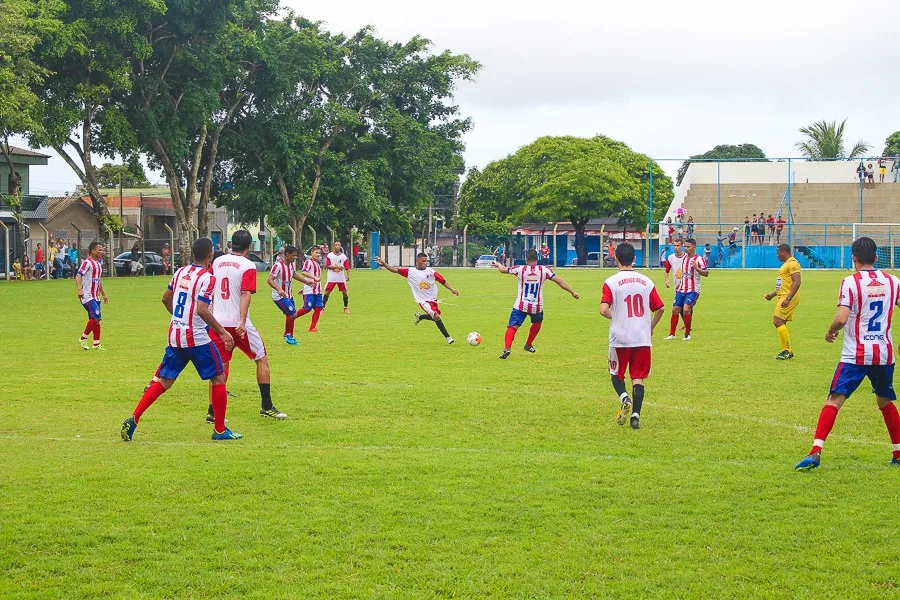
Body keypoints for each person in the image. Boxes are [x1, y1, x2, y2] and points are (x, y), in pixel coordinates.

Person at [795, 237, 900, 470]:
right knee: (885, 401)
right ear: (875, 257)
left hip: (856, 355)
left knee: (834, 401)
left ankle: (815, 452)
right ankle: (898, 452)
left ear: (854, 258)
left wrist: (830, 331)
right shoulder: (893, 281)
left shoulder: (850, 282)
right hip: (884, 353)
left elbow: (842, 318)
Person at [121, 237, 239, 442]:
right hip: (197, 337)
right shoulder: (208, 278)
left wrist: (178, 317)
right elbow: (202, 309)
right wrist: (222, 331)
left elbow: (165, 298)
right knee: (218, 378)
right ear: (210, 255)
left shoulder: (180, 272)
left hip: (175, 334)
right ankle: (220, 431)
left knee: (163, 380)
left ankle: (134, 417)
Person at [207, 229, 287, 422]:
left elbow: (209, 285)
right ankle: (266, 406)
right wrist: (242, 320)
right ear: (249, 246)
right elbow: (245, 293)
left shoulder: (217, 262)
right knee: (262, 359)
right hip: (237, 324)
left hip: (217, 323)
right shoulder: (248, 265)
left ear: (230, 244)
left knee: (220, 367)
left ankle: (212, 412)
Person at [600, 243, 665, 430]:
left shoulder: (611, 282)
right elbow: (660, 308)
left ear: (616, 259)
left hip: (620, 337)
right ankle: (636, 415)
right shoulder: (646, 281)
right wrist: (650, 326)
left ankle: (624, 397)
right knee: (638, 377)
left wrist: (617, 316)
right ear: (634, 259)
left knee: (615, 374)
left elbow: (603, 309)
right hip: (641, 337)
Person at [493, 248, 579, 359]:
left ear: (526, 259)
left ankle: (507, 348)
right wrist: (573, 292)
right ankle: (528, 344)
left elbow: (503, 270)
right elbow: (560, 281)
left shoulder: (520, 269)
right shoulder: (545, 270)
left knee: (513, 326)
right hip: (536, 306)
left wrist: (499, 265)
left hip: (521, 304)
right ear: (537, 259)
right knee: (537, 323)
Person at [375, 253, 459, 344]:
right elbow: (395, 270)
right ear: (417, 260)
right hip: (422, 300)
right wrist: (383, 263)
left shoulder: (431, 271)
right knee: (436, 316)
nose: (425, 263)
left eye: (426, 261)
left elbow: (443, 281)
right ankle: (448, 337)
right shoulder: (410, 272)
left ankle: (420, 316)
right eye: (423, 261)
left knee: (435, 317)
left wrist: (452, 289)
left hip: (433, 300)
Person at [267, 245, 312, 346]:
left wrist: (306, 281)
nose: (295, 258)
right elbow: (269, 280)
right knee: (293, 314)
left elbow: (294, 274)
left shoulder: (291, 265)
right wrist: (279, 289)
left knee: (290, 315)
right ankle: (287, 334)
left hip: (289, 295)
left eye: (296, 256)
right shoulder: (278, 265)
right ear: (287, 255)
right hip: (279, 296)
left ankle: (290, 336)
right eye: (293, 255)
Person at [665, 238, 708, 341]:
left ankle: (687, 334)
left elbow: (706, 273)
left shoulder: (699, 259)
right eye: (685, 246)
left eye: (688, 247)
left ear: (694, 247)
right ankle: (672, 334)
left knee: (686, 309)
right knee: (675, 309)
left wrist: (697, 268)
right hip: (682, 288)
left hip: (693, 289)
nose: (686, 249)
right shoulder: (684, 258)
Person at [764, 244, 801, 360]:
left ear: (784, 252)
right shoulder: (786, 265)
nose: (777, 255)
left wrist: (788, 298)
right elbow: (784, 283)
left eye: (778, 252)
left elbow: (797, 282)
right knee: (781, 322)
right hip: (782, 296)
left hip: (788, 297)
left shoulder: (792, 263)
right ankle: (786, 350)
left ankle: (787, 351)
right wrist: (773, 294)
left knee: (777, 321)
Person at [75, 241, 109, 350]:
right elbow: (78, 276)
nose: (102, 251)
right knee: (96, 317)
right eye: (100, 249)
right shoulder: (87, 263)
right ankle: (83, 338)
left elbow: (98, 281)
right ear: (93, 251)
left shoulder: (98, 264)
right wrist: (79, 290)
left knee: (96, 320)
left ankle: (96, 343)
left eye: (102, 250)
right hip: (87, 296)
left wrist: (104, 294)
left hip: (95, 296)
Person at [294, 247, 325, 332]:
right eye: (316, 252)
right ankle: (292, 317)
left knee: (318, 308)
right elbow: (304, 272)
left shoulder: (317, 264)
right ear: (312, 253)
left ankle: (312, 327)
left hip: (317, 290)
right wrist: (314, 277)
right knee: (307, 309)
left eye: (319, 253)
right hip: (310, 290)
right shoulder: (308, 262)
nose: (318, 254)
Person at [663, 239, 685, 334]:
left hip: (687, 286)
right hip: (677, 286)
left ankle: (685, 327)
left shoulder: (687, 257)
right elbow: (667, 270)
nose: (676, 247)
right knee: (681, 307)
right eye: (675, 246)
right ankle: (687, 325)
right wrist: (667, 280)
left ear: (682, 246)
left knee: (682, 307)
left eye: (678, 245)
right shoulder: (671, 257)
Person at [323, 241, 351, 314]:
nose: (337, 246)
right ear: (333, 246)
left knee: (344, 292)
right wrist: (337, 267)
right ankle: (322, 308)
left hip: (341, 278)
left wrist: (348, 275)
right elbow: (327, 266)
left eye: (339, 245)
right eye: (336, 245)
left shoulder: (343, 256)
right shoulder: (330, 255)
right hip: (332, 277)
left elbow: (347, 266)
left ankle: (346, 308)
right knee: (327, 292)